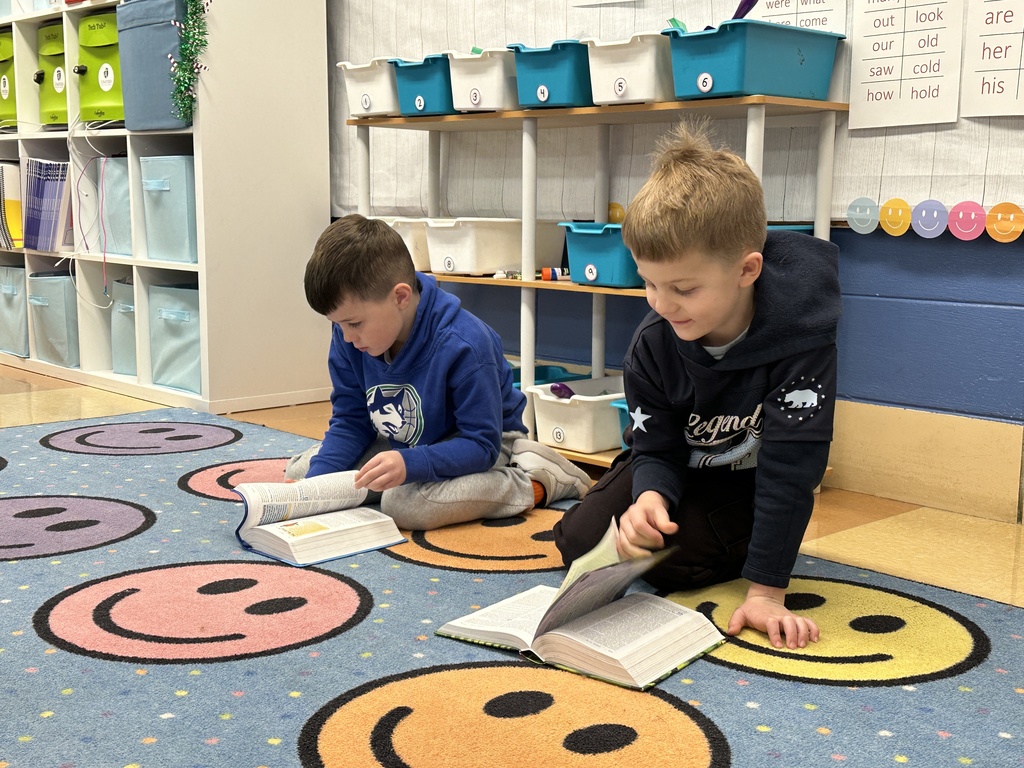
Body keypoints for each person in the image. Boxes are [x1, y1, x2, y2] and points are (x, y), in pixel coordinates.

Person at [553, 121, 841, 650]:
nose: (661, 304)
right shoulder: (654, 341)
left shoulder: (802, 338)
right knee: (576, 539)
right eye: (649, 283)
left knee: (676, 565)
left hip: (750, 484)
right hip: (681, 466)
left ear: (747, 270)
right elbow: (654, 445)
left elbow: (792, 468)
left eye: (683, 288)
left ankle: (735, 548)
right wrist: (649, 500)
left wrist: (768, 592)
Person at [286, 214, 592, 531]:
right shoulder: (350, 337)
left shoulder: (466, 344)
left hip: (483, 444)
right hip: (402, 439)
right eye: (337, 325)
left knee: (404, 505)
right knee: (305, 473)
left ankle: (535, 478)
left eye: (354, 324)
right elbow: (351, 420)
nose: (346, 337)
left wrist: (411, 464)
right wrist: (315, 489)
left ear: (401, 297)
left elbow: (481, 445)